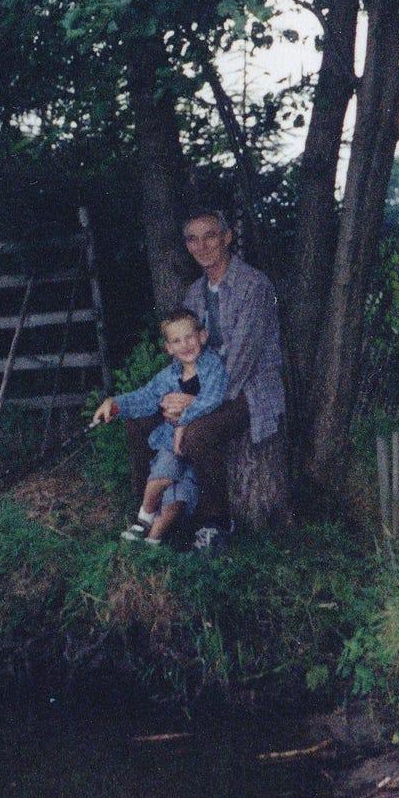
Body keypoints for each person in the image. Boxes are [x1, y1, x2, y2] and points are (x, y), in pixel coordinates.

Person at [125, 209, 288, 552]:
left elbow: (241, 361)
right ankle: (148, 513)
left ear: (227, 238)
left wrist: (193, 403)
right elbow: (182, 356)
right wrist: (174, 396)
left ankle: (215, 522)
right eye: (192, 239)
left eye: (210, 236)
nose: (201, 246)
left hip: (247, 389)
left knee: (199, 433)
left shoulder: (253, 287)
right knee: (139, 423)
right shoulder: (194, 294)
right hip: (198, 389)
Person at [92, 309, 227, 546]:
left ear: (203, 336)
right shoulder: (168, 376)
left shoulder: (213, 367)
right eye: (176, 340)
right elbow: (146, 397)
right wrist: (116, 403)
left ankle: (152, 541)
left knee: (177, 501)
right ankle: (144, 519)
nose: (185, 345)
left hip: (196, 451)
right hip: (170, 448)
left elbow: (212, 399)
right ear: (168, 348)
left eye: (189, 336)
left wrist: (182, 423)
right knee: (162, 477)